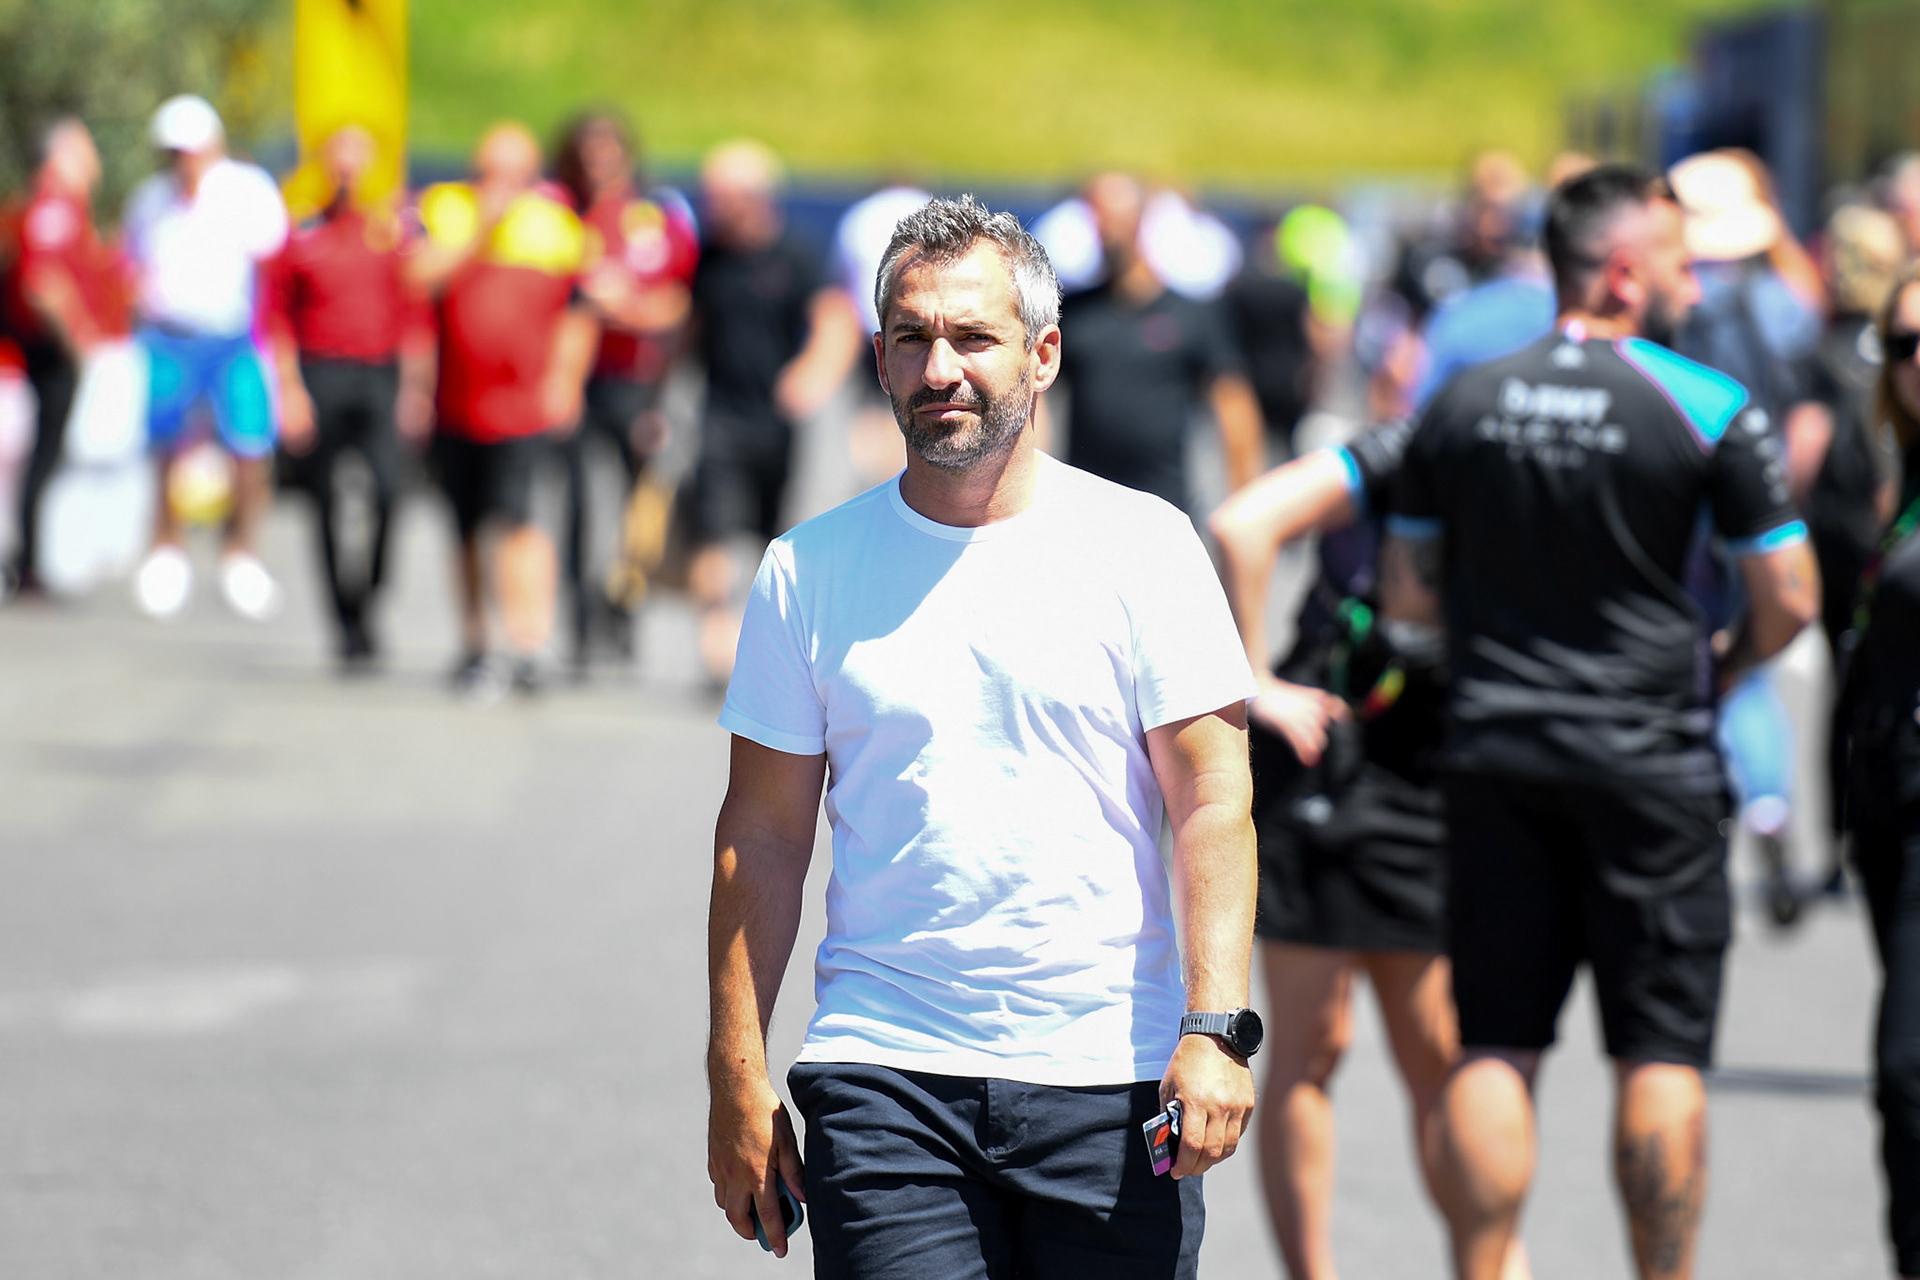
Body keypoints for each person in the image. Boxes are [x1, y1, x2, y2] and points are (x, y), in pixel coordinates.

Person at [706, 196, 1261, 1277]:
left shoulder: (1146, 547)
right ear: (878, 357)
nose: (940, 367)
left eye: (973, 336)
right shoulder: (806, 570)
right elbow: (761, 835)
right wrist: (737, 1065)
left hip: (1112, 1074)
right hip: (884, 1074)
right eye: (911, 338)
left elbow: (1213, 799)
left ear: (1043, 353)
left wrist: (1217, 1024)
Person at [1381, 165, 1818, 1280]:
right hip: (1652, 766)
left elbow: (1409, 594)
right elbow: (1792, 598)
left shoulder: (1464, 398)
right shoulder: (1706, 402)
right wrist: (1723, 665)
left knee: (1494, 1043)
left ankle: (1484, 1268)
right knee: (1660, 1054)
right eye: (1677, 259)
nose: (1690, 279)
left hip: (1493, 754)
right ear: (1624, 272)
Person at [1210, 433, 1530, 1280]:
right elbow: (1243, 524)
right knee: (1323, 1048)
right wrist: (1253, 679)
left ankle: (1491, 1262)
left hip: (1433, 771)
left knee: (1439, 1050)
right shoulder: (1409, 449)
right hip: (1329, 755)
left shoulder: (1509, 457)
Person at [1670, 148, 1827, 922]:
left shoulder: (1684, 300)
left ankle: (1714, 793)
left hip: (1687, 498)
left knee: (1698, 647)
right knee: (1755, 660)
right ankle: (1767, 799)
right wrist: (1781, 500)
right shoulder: (1788, 301)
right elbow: (1806, 417)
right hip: (1761, 499)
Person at [409, 122, 599, 697]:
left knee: (519, 522)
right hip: (455, 403)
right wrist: (482, 226)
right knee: (463, 525)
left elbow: (578, 312)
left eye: (514, 174)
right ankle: (475, 641)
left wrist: (566, 381)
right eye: (490, 172)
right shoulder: (443, 210)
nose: (501, 186)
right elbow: (417, 279)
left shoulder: (557, 227)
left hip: (522, 407)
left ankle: (528, 642)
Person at [683, 139, 859, 684]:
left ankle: (768, 649)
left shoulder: (794, 253)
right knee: (712, 532)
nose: (710, 206)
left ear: (754, 197)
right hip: (719, 416)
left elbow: (835, 317)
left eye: (721, 196)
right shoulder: (706, 258)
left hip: (781, 426)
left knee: (773, 538)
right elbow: (684, 326)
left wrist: (814, 373)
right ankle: (717, 647)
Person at [268, 124, 431, 666]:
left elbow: (415, 314)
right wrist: (290, 390)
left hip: (378, 373)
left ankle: (371, 591)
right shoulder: (302, 230)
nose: (347, 171)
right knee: (325, 501)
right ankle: (343, 617)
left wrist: (414, 388)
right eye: (338, 160)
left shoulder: (392, 231)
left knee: (389, 491)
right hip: (320, 373)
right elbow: (277, 317)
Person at [123, 94, 289, 621]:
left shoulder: (246, 191)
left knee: (250, 446)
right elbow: (133, 264)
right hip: (168, 336)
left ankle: (241, 553)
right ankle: (165, 549)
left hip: (231, 337)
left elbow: (273, 260)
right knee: (165, 445)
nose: (182, 161)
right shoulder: (150, 199)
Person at [552, 109, 698, 671]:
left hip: (643, 382)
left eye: (607, 155)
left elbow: (682, 305)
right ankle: (582, 619)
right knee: (581, 504)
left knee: (645, 510)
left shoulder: (657, 218)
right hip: (581, 383)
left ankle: (624, 606)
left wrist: (626, 310)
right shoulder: (561, 217)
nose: (598, 167)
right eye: (587, 158)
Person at [1840, 260, 1920, 1280]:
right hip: (1890, 811)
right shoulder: (1900, 471)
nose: (1919, 362)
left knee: (1910, 1071)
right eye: (1904, 344)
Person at [1052, 172, 1263, 510]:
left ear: (1139, 220)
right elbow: (1036, 400)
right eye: (1094, 218)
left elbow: (1233, 402)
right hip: (1085, 503)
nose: (1103, 230)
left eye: (1111, 217)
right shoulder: (1072, 314)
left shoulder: (1190, 313)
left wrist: (1243, 497)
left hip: (1165, 501)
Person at [2, 117, 129, 599]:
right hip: (50, 351)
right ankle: (28, 561)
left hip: (54, 349)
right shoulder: (54, 205)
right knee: (45, 455)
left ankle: (31, 557)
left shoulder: (66, 206)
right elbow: (44, 284)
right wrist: (75, 336)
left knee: (49, 453)